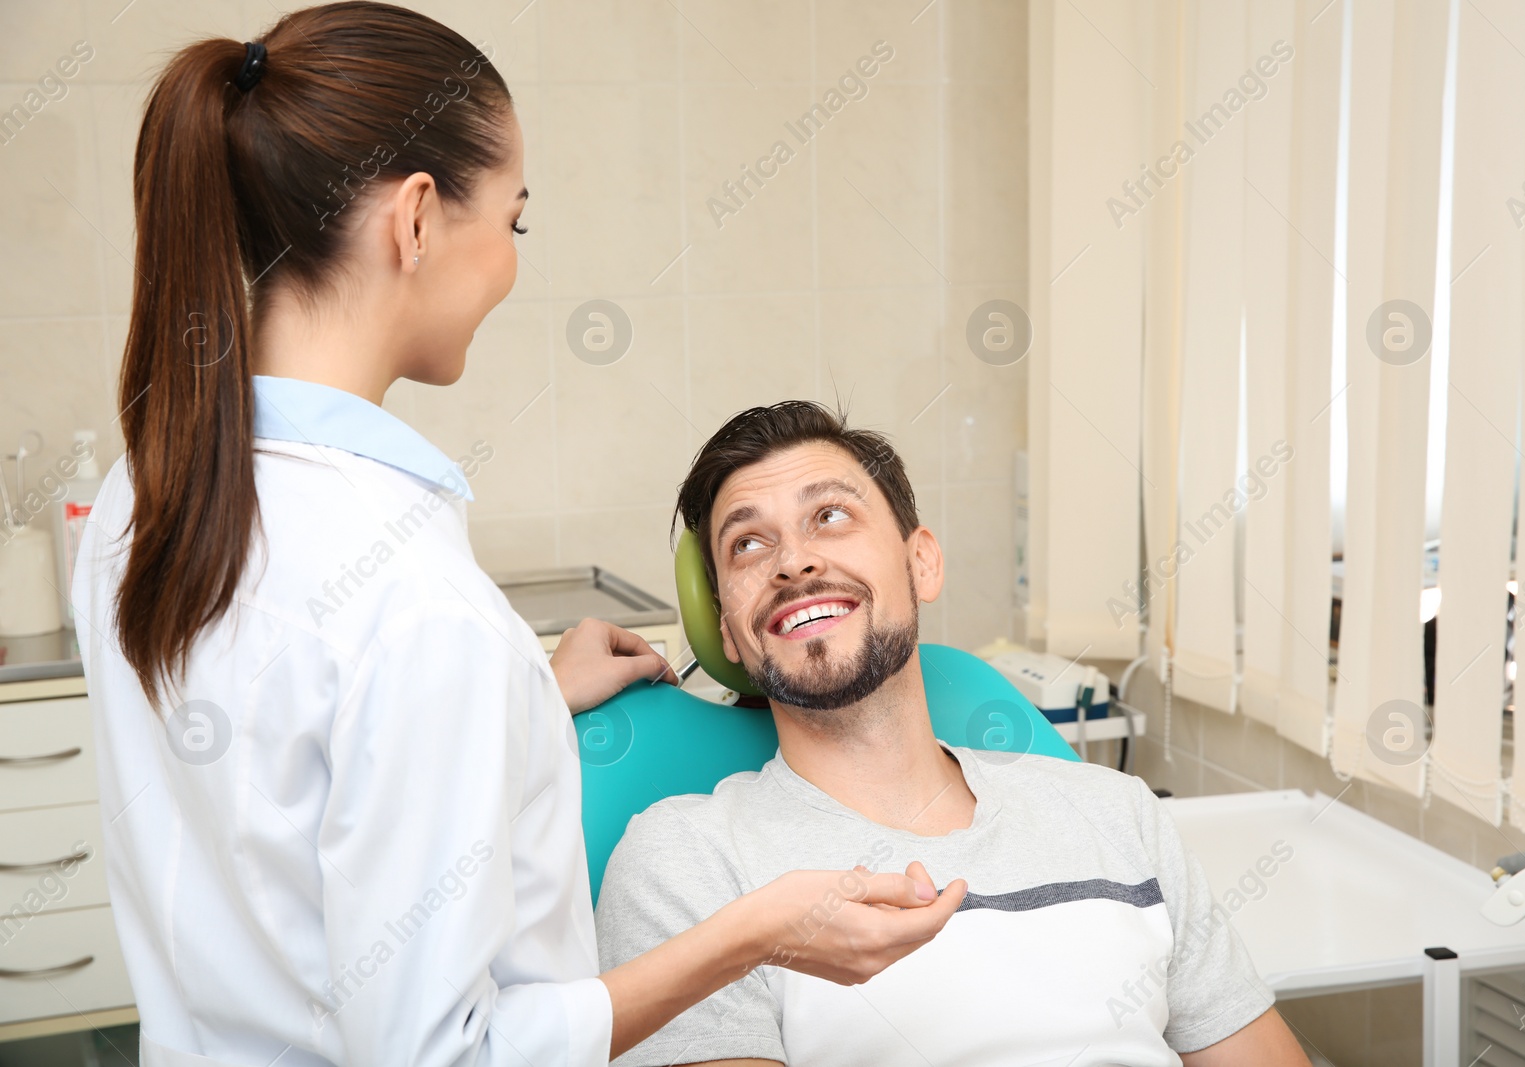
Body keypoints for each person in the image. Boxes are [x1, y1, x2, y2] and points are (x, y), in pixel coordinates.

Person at [72, 6, 964, 1065]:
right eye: (513, 220)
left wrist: (521, 700)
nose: (509, 260)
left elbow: (281, 781)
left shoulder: (142, 502)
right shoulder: (419, 607)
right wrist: (754, 933)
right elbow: (444, 1054)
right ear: (414, 221)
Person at [594, 401, 1314, 1067]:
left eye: (832, 517)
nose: (793, 562)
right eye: (748, 543)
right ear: (726, 629)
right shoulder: (686, 863)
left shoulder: (1118, 813)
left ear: (922, 562)